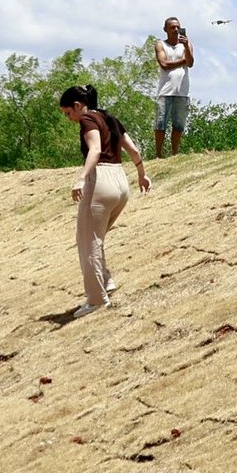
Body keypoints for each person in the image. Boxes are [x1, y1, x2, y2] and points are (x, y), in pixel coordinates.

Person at [62, 82, 148, 312]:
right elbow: (133, 149)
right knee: (95, 239)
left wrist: (81, 177)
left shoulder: (87, 119)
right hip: (121, 183)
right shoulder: (110, 119)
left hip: (100, 181)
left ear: (79, 105)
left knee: (86, 241)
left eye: (69, 112)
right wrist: (142, 174)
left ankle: (96, 300)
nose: (69, 118)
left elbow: (95, 149)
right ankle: (106, 282)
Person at [151, 17, 196, 158]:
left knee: (178, 125)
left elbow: (190, 63)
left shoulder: (186, 45)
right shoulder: (160, 44)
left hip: (182, 91)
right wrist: (183, 60)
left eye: (177, 27)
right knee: (160, 124)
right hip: (165, 91)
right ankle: (158, 154)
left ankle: (174, 153)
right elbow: (164, 64)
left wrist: (187, 46)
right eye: (172, 27)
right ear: (165, 29)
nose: (176, 30)